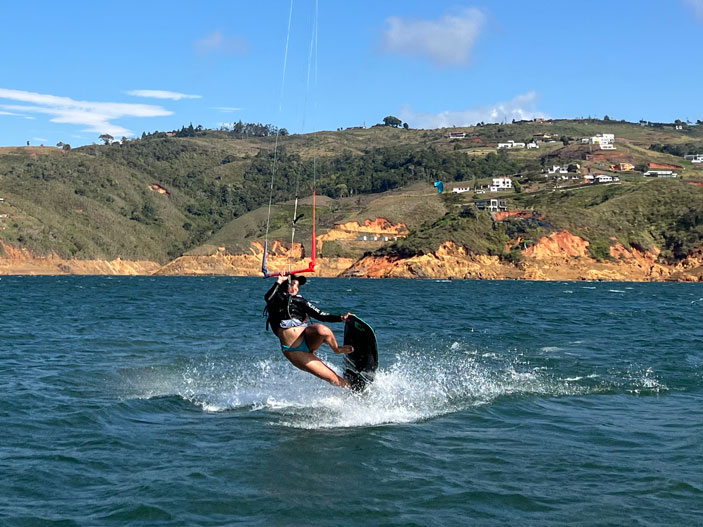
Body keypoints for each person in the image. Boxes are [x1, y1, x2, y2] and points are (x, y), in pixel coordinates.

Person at [264, 273, 353, 388]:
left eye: (297, 286)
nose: (295, 287)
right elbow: (268, 297)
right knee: (332, 378)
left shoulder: (301, 301)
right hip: (295, 351)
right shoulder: (275, 301)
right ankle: (354, 390)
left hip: (307, 338)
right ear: (284, 285)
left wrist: (341, 318)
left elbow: (321, 315)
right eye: (292, 284)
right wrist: (279, 280)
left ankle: (336, 349)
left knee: (322, 330)